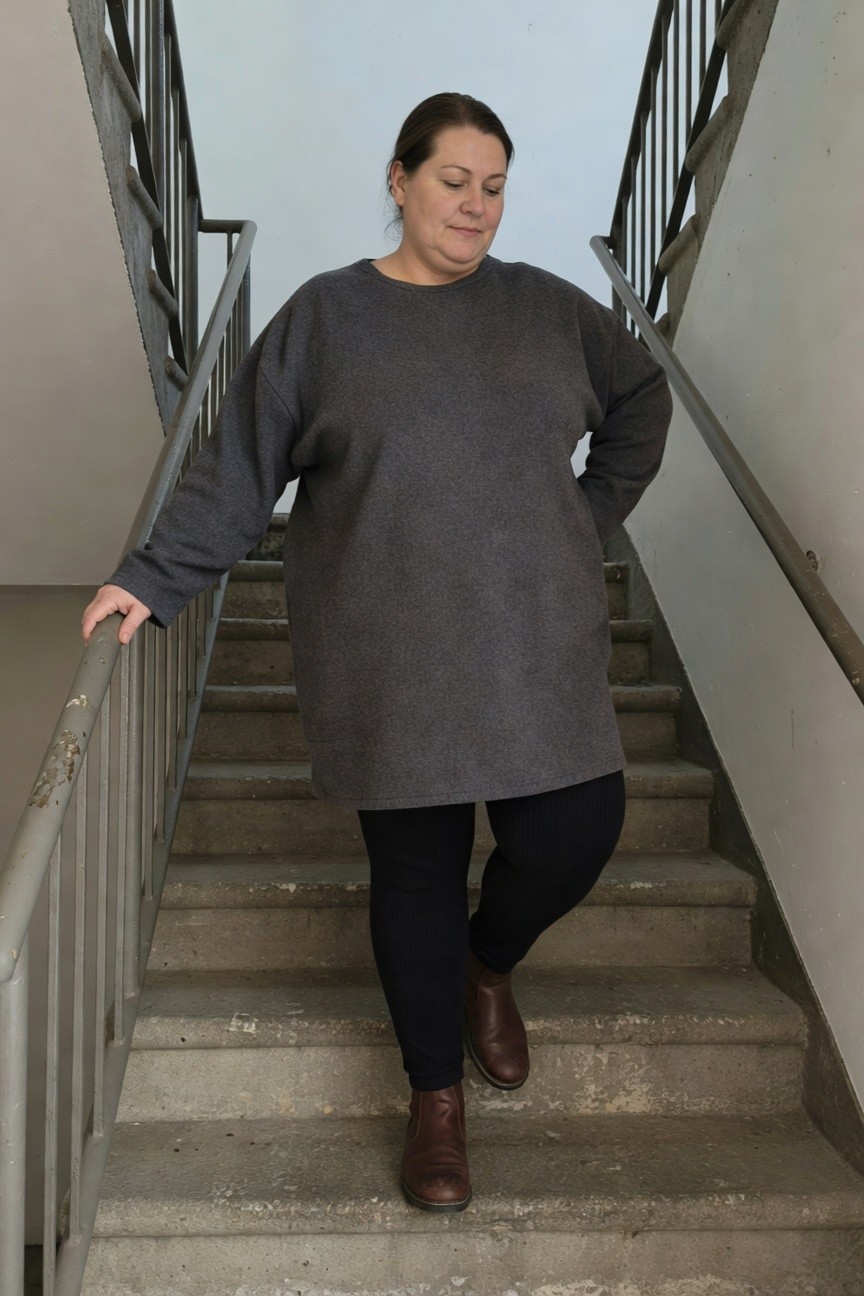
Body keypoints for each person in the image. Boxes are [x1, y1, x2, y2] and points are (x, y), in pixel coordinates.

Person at [82, 92, 673, 1215]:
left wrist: (586, 514)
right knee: (415, 872)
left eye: (494, 186)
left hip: (532, 635)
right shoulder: (324, 320)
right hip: (385, 644)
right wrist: (151, 579)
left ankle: (486, 963)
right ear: (399, 182)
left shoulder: (551, 314)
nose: (477, 207)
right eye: (454, 181)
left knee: (575, 830)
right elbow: (242, 466)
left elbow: (640, 397)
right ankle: (435, 1103)